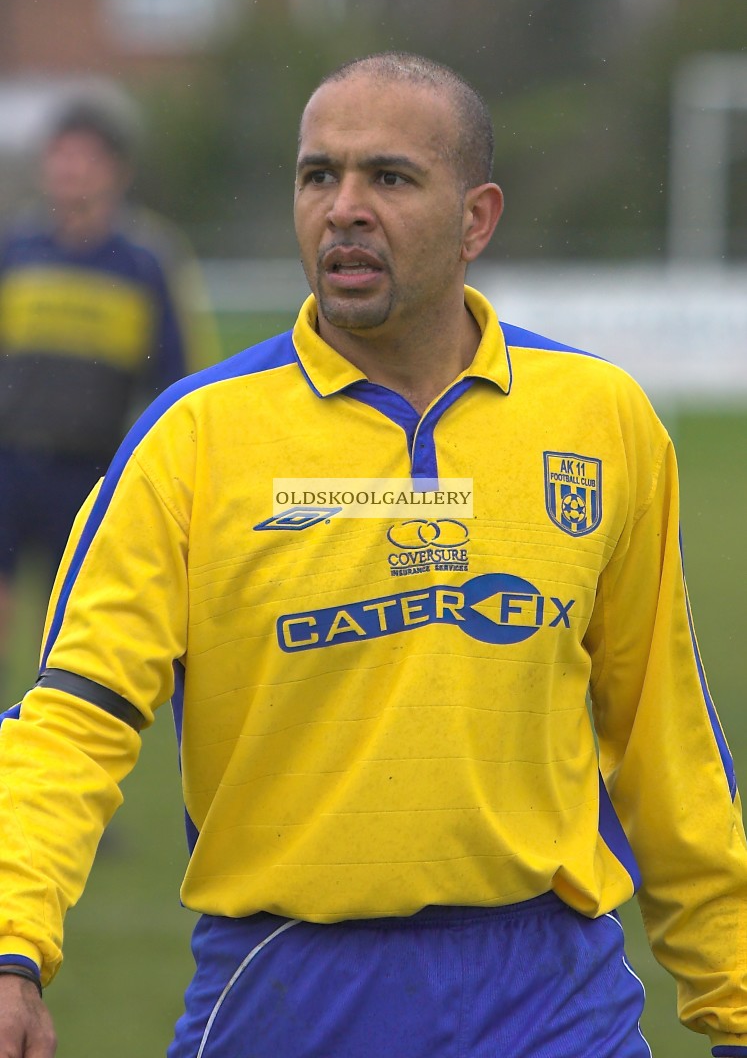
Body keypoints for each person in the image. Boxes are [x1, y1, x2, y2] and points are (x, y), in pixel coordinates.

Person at [0, 52, 745, 1058]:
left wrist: (736, 999)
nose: (345, 207)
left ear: (478, 218)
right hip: (288, 989)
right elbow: (72, 720)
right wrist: (11, 947)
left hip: (550, 993)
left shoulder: (602, 421)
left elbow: (668, 744)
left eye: (388, 178)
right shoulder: (194, 439)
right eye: (320, 176)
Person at [0, 97, 216, 693]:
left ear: (115, 170)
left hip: (92, 468)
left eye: (84, 159)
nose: (70, 170)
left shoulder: (145, 262)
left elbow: (175, 378)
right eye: (60, 157)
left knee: (71, 622)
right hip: (10, 462)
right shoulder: (15, 252)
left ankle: (50, 725)